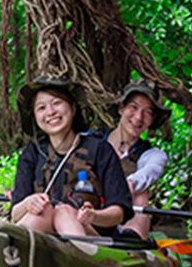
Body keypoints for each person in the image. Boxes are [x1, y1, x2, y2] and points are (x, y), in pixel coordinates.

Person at [9, 76, 134, 237]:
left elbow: (119, 213)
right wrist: (28, 203)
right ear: (35, 117)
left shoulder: (100, 150)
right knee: (45, 212)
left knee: (64, 212)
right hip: (43, 235)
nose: (50, 112)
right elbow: (15, 215)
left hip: (92, 237)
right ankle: (12, 250)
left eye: (57, 103)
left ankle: (81, 259)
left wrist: (94, 216)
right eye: (41, 108)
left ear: (73, 108)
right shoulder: (32, 154)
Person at [93, 79, 172, 239]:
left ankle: (132, 242)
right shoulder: (90, 142)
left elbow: (151, 171)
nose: (138, 117)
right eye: (133, 108)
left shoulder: (152, 155)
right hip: (89, 216)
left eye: (148, 112)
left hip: (123, 224)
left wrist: (127, 185)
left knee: (140, 192)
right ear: (121, 108)